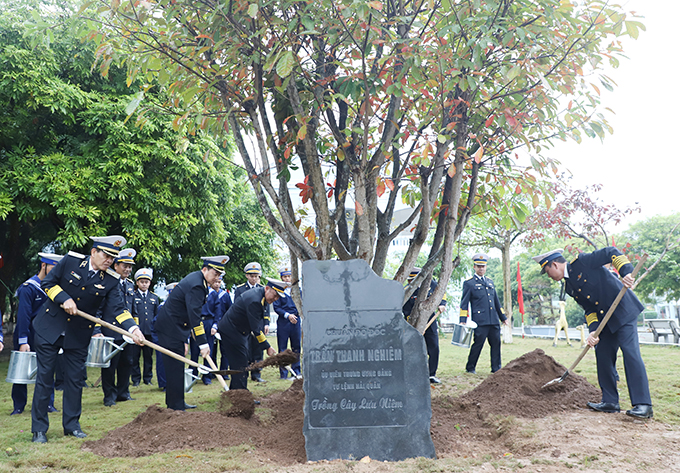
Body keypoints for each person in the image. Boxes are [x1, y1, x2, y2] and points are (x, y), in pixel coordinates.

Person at [31, 236, 145, 443]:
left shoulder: (111, 280)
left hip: (78, 333)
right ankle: (39, 429)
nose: (109, 261)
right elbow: (48, 282)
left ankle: (72, 426)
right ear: (94, 252)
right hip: (50, 328)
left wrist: (134, 329)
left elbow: (118, 309)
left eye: (113, 258)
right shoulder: (71, 261)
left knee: (75, 381)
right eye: (106, 255)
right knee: (45, 378)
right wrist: (64, 298)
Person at [533, 247, 653, 419]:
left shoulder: (582, 262)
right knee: (603, 354)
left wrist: (626, 272)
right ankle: (610, 401)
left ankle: (643, 405)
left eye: (547, 271)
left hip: (624, 311)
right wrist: (593, 331)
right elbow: (589, 308)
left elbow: (610, 252)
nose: (549, 276)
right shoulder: (569, 287)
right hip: (605, 320)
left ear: (554, 264)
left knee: (630, 354)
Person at [154, 256, 228, 411]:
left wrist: (190, 338)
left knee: (178, 366)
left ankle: (177, 402)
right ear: (205, 269)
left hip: (177, 327)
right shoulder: (197, 285)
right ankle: (175, 406)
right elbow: (195, 317)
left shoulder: (200, 281)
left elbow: (191, 316)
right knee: (175, 366)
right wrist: (203, 342)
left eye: (219, 275)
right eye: (215, 273)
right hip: (170, 328)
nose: (217, 278)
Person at [11, 253, 63, 416]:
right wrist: (23, 340)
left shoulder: (55, 288)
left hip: (47, 335)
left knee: (47, 369)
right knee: (22, 370)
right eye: (53, 268)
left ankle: (49, 403)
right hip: (28, 333)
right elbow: (23, 317)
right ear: (43, 266)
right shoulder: (29, 287)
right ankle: (18, 405)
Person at [217, 279, 286, 390]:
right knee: (241, 363)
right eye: (275, 295)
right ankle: (241, 394)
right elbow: (256, 329)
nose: (275, 299)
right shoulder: (255, 300)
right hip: (232, 331)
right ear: (267, 289)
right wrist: (267, 346)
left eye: (278, 297)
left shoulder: (261, 296)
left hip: (240, 331)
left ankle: (236, 391)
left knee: (241, 362)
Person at [94, 248, 137, 406]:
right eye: (124, 266)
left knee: (127, 363)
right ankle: (109, 396)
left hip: (127, 332)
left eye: (130, 267)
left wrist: (135, 330)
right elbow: (97, 309)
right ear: (116, 266)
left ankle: (123, 392)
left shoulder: (130, 285)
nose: (127, 269)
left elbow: (133, 311)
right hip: (110, 331)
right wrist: (97, 330)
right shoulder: (105, 282)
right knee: (110, 365)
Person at [459, 253, 509, 374]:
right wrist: (463, 319)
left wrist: (503, 317)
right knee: (478, 344)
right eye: (478, 266)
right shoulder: (469, 283)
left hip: (493, 320)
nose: (481, 268)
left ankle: (496, 368)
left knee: (496, 344)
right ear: (474, 267)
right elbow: (464, 303)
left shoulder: (490, 282)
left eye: (483, 266)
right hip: (480, 321)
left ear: (486, 267)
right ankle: (470, 367)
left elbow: (497, 302)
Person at [402, 267, 447, 384]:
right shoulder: (407, 291)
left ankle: (431, 374)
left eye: (413, 280)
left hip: (430, 321)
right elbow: (406, 311)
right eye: (409, 280)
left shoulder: (431, 284)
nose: (410, 283)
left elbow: (442, 292)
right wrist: (415, 328)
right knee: (415, 350)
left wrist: (442, 304)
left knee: (434, 348)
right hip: (414, 324)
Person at [233, 262, 270, 383]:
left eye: (256, 276)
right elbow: (236, 307)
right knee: (245, 348)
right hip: (244, 324)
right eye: (251, 276)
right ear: (246, 276)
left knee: (258, 349)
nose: (254, 278)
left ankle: (257, 373)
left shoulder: (262, 289)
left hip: (258, 323)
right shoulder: (240, 289)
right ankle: (245, 372)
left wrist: (266, 323)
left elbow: (266, 308)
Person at [190, 269, 226, 385]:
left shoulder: (214, 294)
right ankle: (193, 375)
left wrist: (215, 326)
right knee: (195, 351)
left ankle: (207, 376)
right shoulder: (197, 291)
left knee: (208, 350)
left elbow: (218, 311)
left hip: (209, 323)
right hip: (197, 322)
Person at [131, 268, 159, 387]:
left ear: (150, 283)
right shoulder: (133, 295)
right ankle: (136, 379)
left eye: (146, 282)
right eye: (141, 282)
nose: (144, 284)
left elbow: (157, 315)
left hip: (149, 332)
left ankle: (148, 378)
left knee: (148, 357)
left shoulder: (154, 297)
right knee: (134, 357)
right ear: (137, 283)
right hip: (137, 332)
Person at [272, 266, 301, 379]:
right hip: (283, 322)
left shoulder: (298, 291)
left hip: (295, 322)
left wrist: (295, 316)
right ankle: (283, 373)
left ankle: (296, 371)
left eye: (289, 276)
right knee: (282, 348)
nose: (287, 279)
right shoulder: (278, 291)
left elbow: (301, 304)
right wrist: (288, 315)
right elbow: (277, 307)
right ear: (281, 278)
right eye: (285, 277)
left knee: (296, 347)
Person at [153, 282, 178, 391]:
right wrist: (157, 341)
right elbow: (155, 325)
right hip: (162, 339)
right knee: (162, 362)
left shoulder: (180, 307)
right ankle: (164, 384)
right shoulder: (162, 307)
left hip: (175, 339)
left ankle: (174, 384)